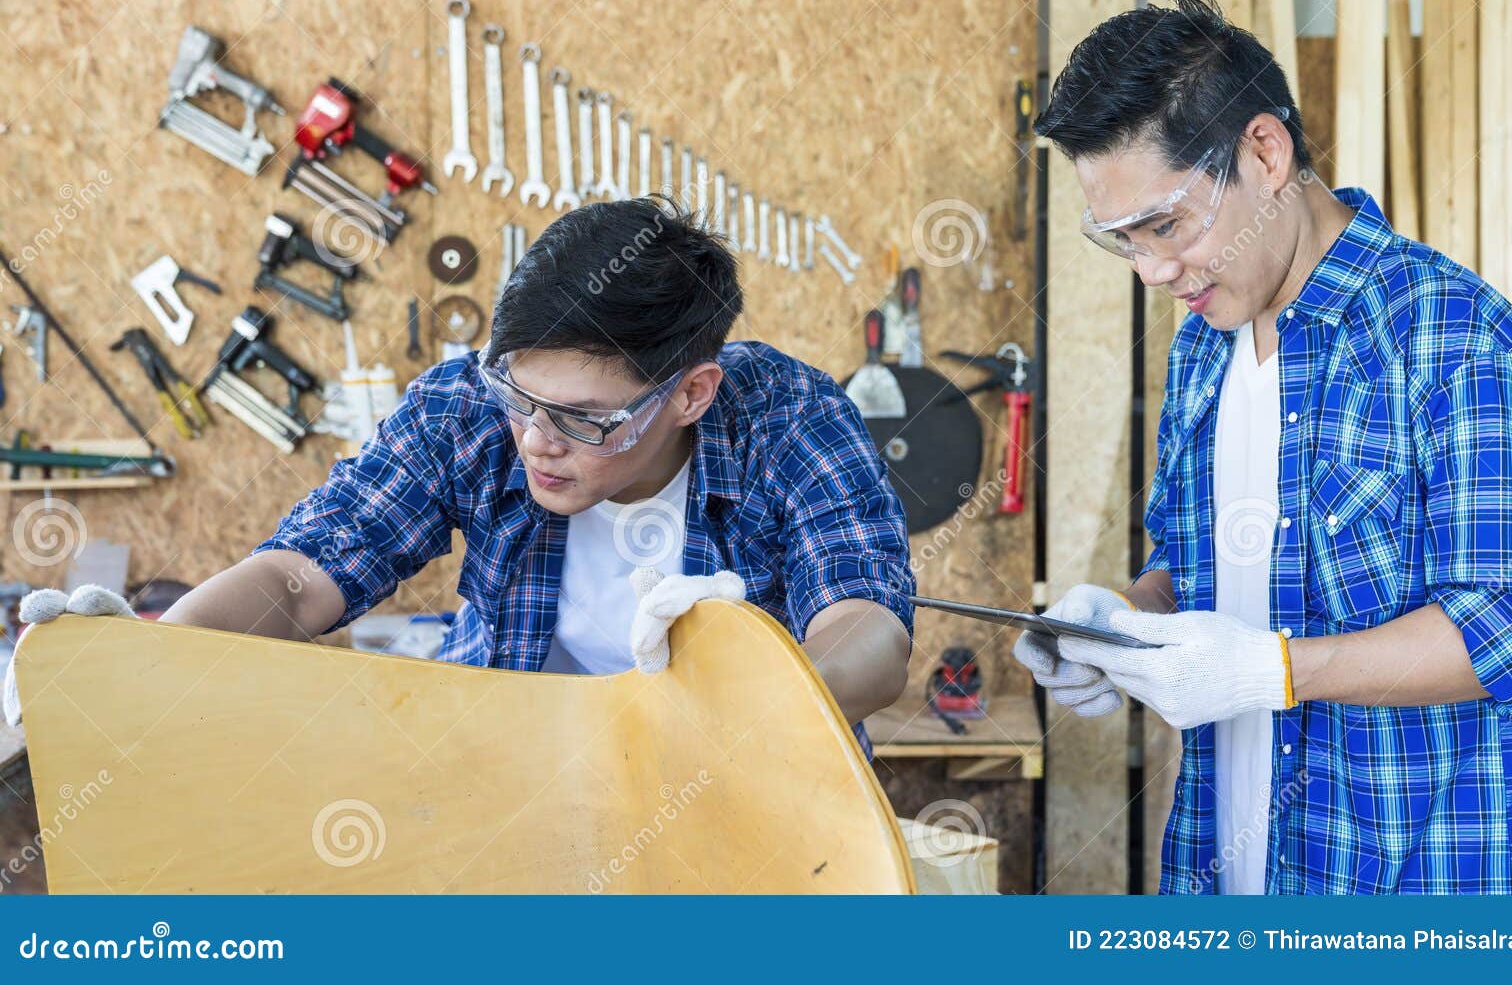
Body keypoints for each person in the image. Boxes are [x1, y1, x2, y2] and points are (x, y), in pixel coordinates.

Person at [1017, 0, 1512, 894]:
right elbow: (1196, 563)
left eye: (1167, 226)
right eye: (1120, 240)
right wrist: (1123, 624)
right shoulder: (1206, 345)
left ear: (1264, 151)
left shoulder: (1456, 339)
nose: (1154, 272)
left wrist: (1275, 669)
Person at [6, 197, 914, 749]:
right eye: (521, 397)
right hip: (511, 770)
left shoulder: (789, 415)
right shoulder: (466, 407)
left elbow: (869, 631)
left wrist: (742, 692)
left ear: (692, 393)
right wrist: (153, 654)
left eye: (583, 419)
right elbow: (299, 575)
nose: (536, 440)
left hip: (742, 773)